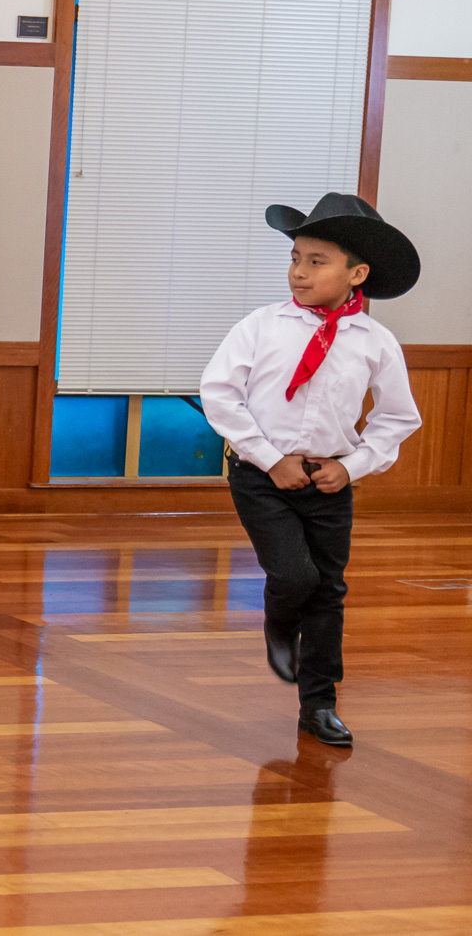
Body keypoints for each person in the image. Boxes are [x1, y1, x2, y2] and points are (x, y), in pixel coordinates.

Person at [200, 192, 422, 748]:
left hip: (330, 480)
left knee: (327, 590)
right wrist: (271, 460)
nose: (298, 272)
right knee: (295, 577)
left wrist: (354, 467)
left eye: (316, 261)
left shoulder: (375, 342)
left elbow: (398, 417)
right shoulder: (261, 325)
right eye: (295, 258)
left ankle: (319, 704)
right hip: (261, 476)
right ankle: (279, 621)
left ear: (357, 273)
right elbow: (220, 394)